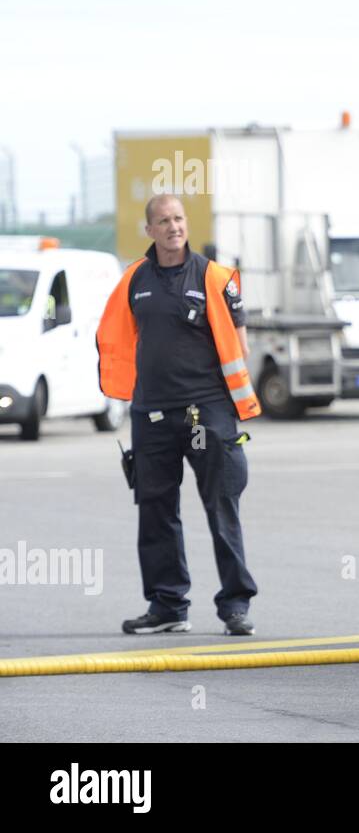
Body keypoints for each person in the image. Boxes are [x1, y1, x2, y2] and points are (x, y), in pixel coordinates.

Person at [97, 194, 261, 636]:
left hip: (202, 415)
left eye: (179, 218)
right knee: (155, 509)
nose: (173, 226)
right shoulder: (135, 279)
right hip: (151, 415)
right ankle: (168, 605)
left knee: (220, 506)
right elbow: (118, 338)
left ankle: (235, 606)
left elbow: (240, 345)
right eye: (163, 221)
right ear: (149, 230)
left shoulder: (215, 278)